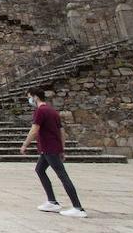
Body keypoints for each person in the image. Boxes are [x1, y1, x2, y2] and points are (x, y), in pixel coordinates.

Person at [20, 88, 87, 218]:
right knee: (40, 170)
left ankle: (78, 207)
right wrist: (62, 148)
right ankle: (52, 201)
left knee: (62, 176)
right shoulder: (52, 111)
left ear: (35, 97)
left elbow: (34, 130)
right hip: (51, 148)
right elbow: (61, 131)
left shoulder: (41, 111)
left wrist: (24, 145)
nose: (30, 100)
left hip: (49, 147)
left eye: (30, 97)